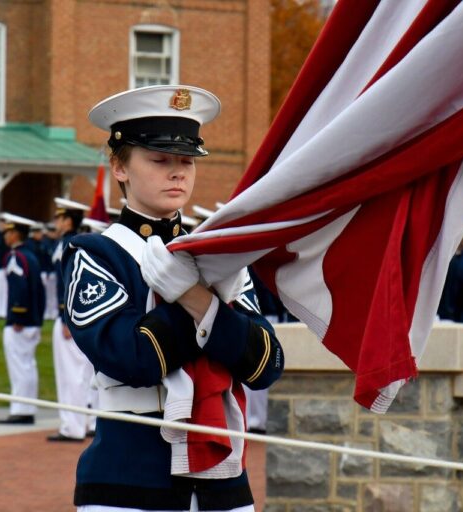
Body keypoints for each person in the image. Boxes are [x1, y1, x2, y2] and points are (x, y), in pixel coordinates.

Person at [62, 85, 284, 511]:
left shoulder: (217, 256)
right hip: (131, 482)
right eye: (159, 160)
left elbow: (265, 364)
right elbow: (134, 357)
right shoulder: (96, 253)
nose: (178, 172)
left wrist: (195, 296)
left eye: (187, 160)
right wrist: (205, 306)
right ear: (119, 167)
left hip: (224, 484)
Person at [48, 197, 95, 442]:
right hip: (76, 316)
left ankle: (72, 427)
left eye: (59, 218)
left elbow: (70, 283)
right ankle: (83, 422)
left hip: (69, 317)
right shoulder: (73, 243)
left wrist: (66, 317)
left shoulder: (70, 244)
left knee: (71, 374)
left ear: (67, 221)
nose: (56, 222)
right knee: (80, 373)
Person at [0, 213, 46, 424]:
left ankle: (21, 409)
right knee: (27, 365)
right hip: (32, 319)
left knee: (19, 366)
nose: (5, 236)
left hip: (20, 321)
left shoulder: (16, 256)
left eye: (8, 232)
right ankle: (26, 407)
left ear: (16, 234)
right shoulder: (30, 256)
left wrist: (18, 314)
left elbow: (19, 287)